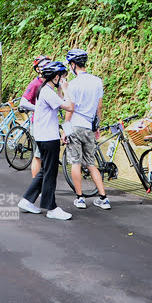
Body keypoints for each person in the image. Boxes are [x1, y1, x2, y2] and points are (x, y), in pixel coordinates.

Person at [18, 61, 74, 220]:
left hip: (44, 136)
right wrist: (65, 89)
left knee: (44, 171)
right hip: (49, 137)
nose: (64, 79)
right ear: (56, 77)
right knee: (51, 172)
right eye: (62, 76)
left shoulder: (45, 89)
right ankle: (51, 208)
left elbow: (59, 104)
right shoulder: (48, 93)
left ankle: (27, 200)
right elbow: (70, 107)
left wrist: (60, 90)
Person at [63, 49, 110, 210]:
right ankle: (103, 198)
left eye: (70, 64)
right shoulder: (97, 81)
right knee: (91, 163)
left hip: (75, 126)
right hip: (89, 126)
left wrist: (65, 129)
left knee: (75, 162)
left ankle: (80, 198)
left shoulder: (72, 84)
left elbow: (70, 109)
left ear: (73, 65)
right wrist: (97, 126)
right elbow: (99, 107)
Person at [18, 55, 51, 179]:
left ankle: (42, 184)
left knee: (44, 156)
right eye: (44, 66)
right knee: (37, 155)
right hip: (37, 124)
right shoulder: (35, 84)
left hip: (48, 124)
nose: (47, 68)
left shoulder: (50, 83)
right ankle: (36, 186)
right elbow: (23, 102)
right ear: (38, 69)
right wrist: (39, 109)